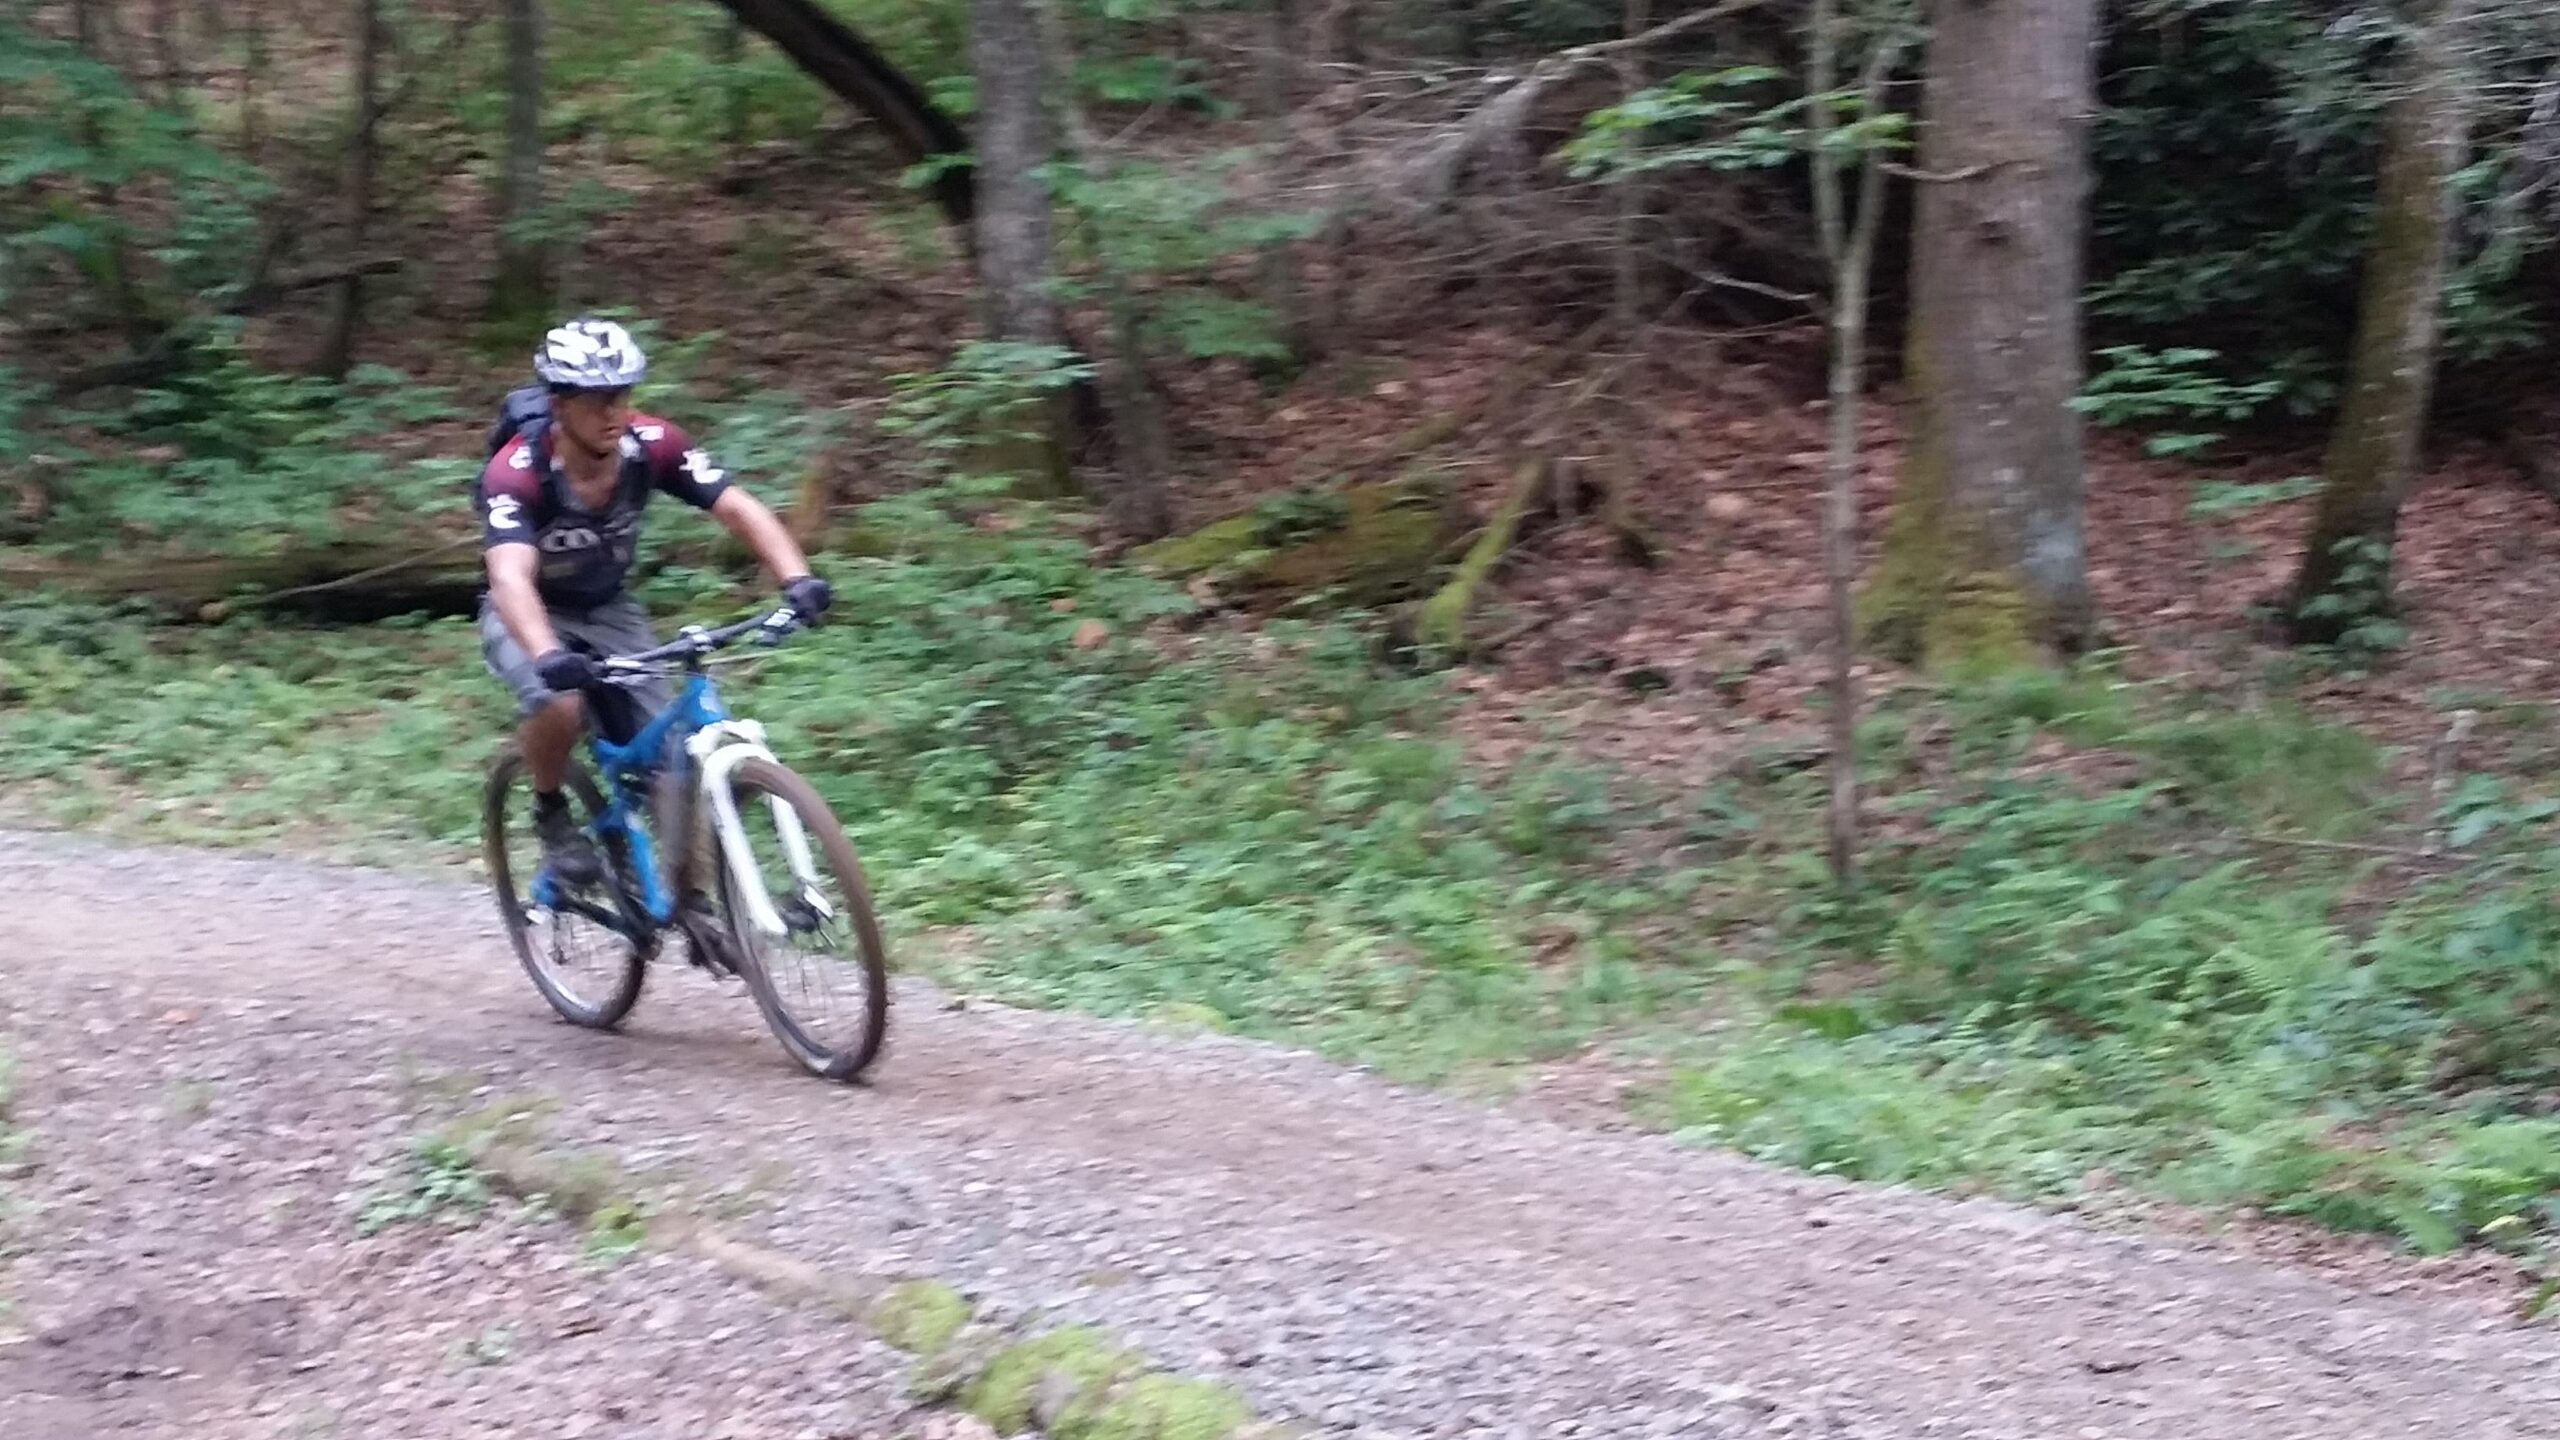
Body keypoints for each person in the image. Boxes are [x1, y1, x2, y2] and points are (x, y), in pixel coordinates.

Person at [476, 318, 831, 886]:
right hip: (526, 612)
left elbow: (736, 505)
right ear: (560, 403)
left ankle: (691, 901)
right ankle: (550, 812)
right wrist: (546, 654)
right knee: (560, 702)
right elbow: (511, 577)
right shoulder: (516, 473)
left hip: (610, 606)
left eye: (622, 395)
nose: (614, 412)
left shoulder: (652, 444)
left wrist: (797, 578)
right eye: (597, 400)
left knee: (672, 756)